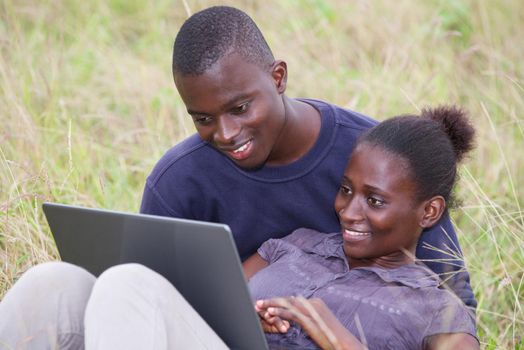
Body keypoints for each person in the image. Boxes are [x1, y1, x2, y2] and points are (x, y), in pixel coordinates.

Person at [0, 106, 478, 349]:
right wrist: (248, 319)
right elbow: (209, 312)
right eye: (347, 190)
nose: (350, 211)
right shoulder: (298, 245)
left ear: (429, 213)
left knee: (128, 283)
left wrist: (342, 343)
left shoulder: (438, 310)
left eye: (374, 201)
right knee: (55, 283)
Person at [140, 5, 476, 309]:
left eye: (240, 108)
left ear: (278, 78)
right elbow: (152, 301)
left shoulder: (382, 161)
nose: (226, 133)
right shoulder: (177, 182)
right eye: (203, 119)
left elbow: (454, 303)